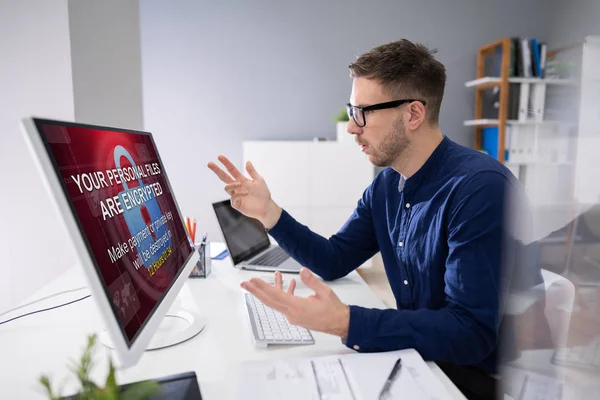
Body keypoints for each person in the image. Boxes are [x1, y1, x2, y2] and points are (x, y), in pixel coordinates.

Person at [208, 38, 520, 398]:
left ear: (413, 114)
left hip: (466, 377)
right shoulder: (387, 186)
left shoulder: (480, 188)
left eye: (363, 112)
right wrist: (269, 213)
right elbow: (334, 258)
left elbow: (471, 334)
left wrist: (345, 321)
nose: (352, 128)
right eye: (351, 111)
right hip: (421, 358)